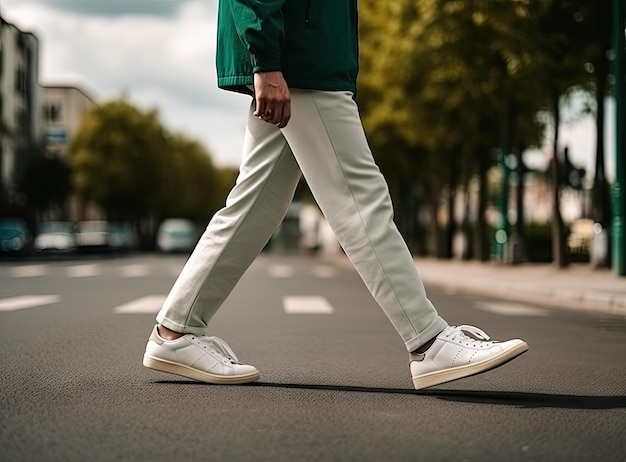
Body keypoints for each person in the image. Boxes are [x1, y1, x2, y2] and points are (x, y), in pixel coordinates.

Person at [143, 0, 528, 390]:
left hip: (301, 48)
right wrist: (267, 60)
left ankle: (175, 332)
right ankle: (429, 341)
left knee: (257, 204)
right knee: (359, 197)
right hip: (301, 54)